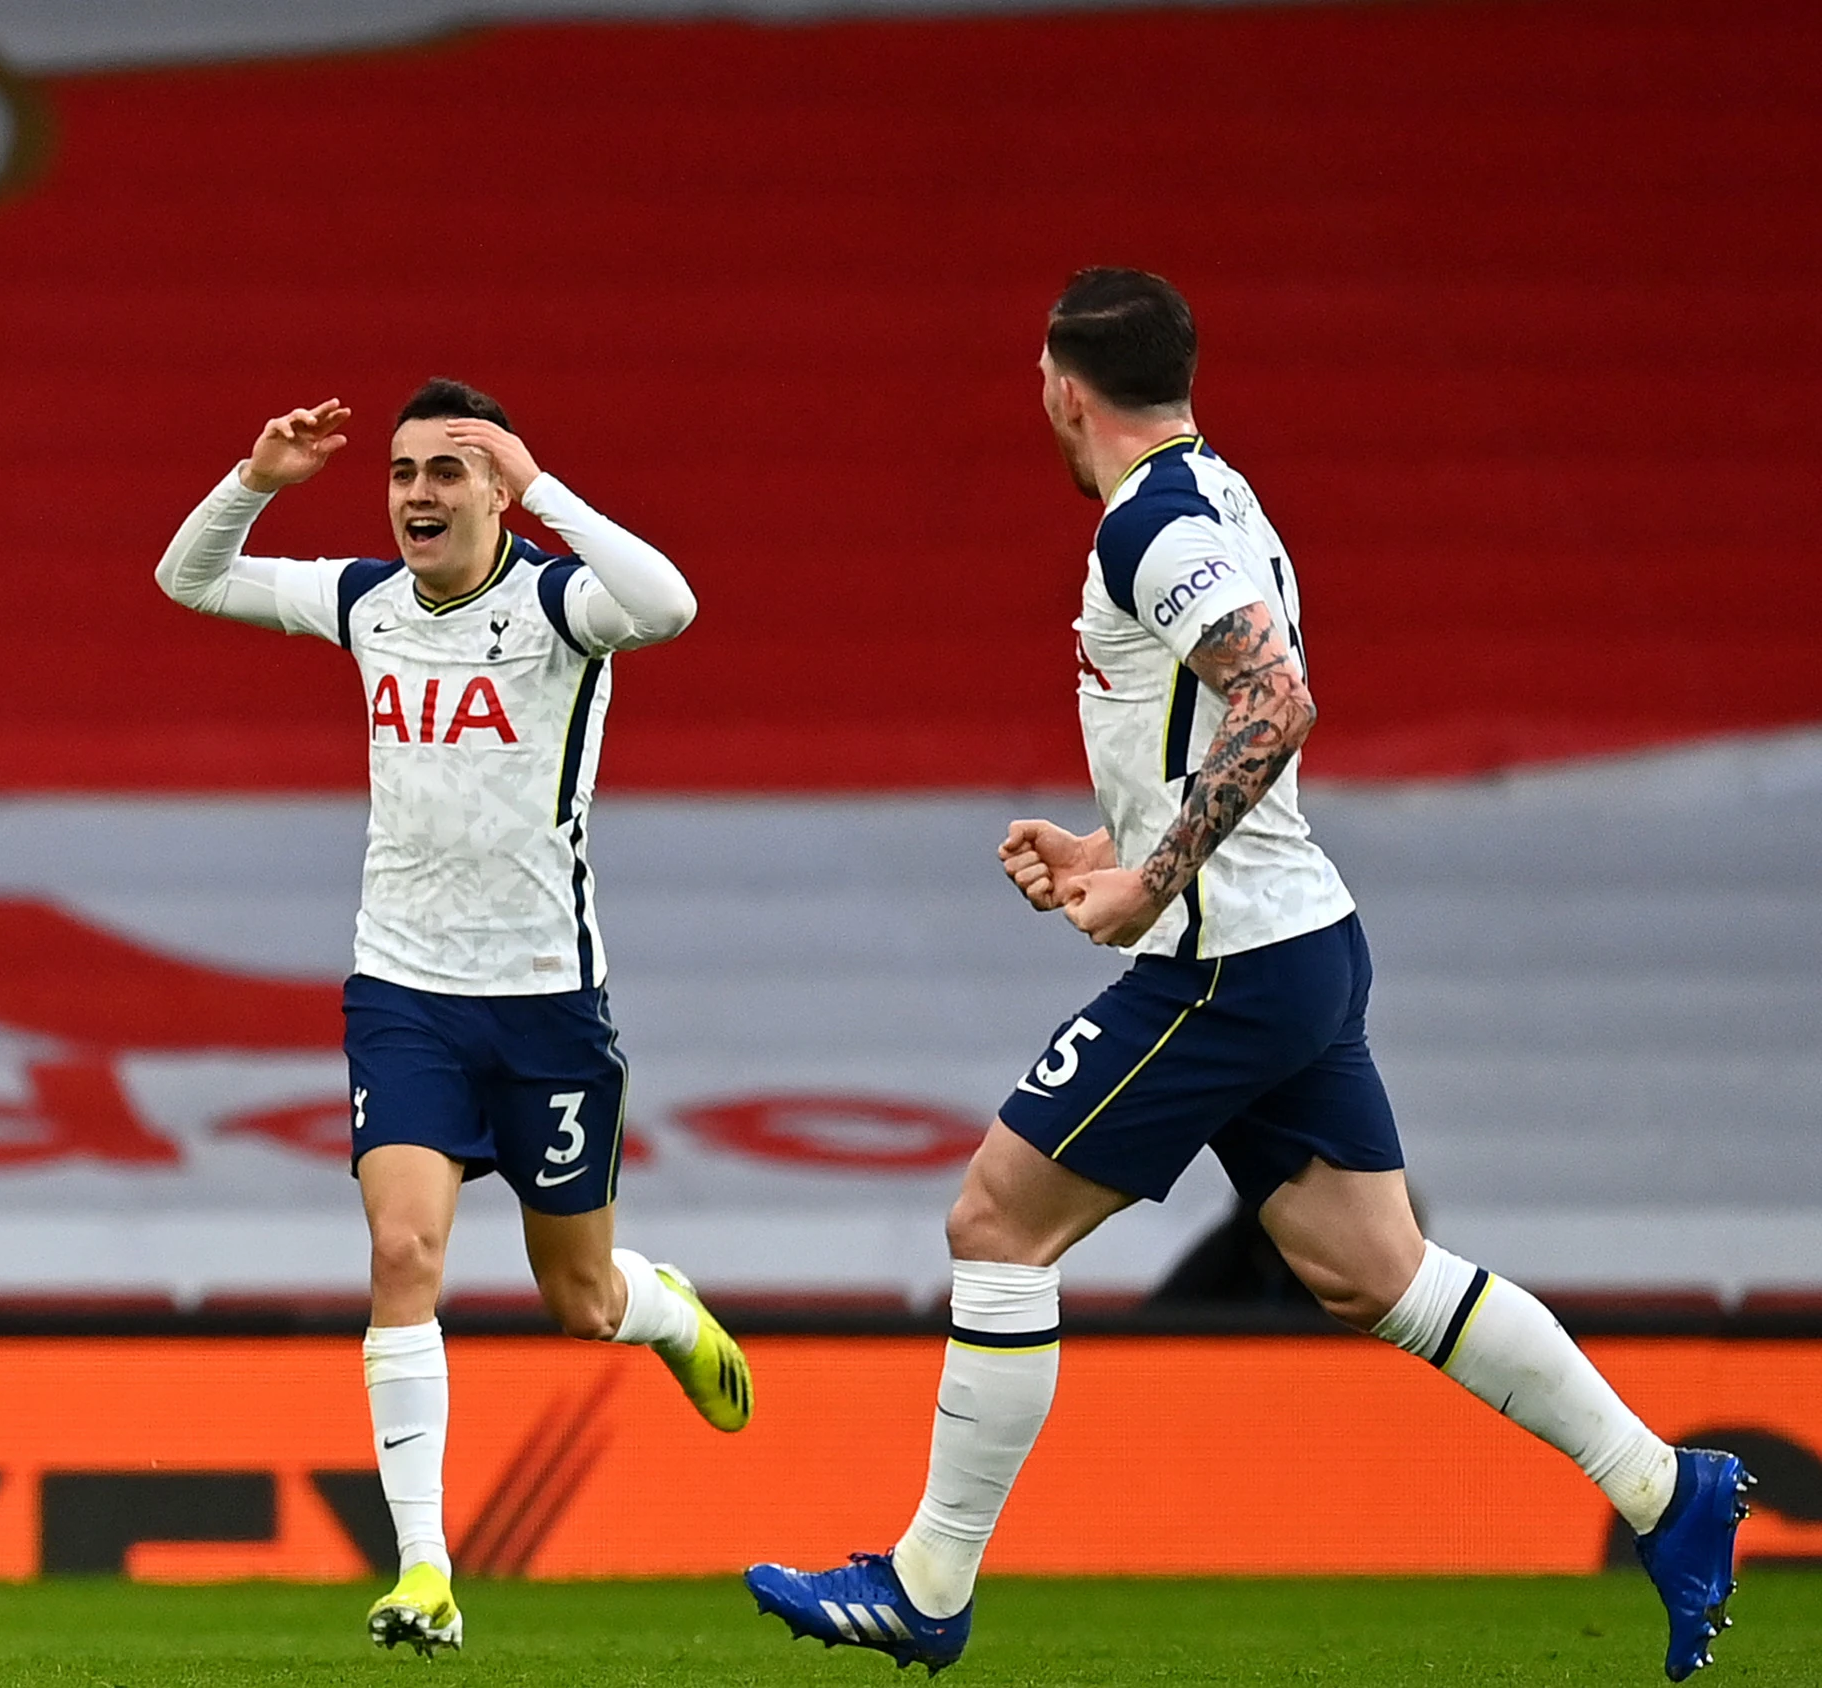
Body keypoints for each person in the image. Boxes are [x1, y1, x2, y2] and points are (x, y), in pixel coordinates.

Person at [741, 270, 1750, 1681]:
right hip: (1293, 942)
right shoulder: (1222, 494)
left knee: (995, 1226)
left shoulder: (1152, 523)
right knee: (1375, 1270)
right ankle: (1666, 1488)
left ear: (1061, 386)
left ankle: (926, 1584)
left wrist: (1150, 882)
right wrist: (1111, 843)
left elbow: (1278, 700)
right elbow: (1229, 725)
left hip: (1226, 964)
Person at [156, 379, 753, 1654]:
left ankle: (666, 1310)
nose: (417, 493)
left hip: (546, 1001)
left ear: (495, 494)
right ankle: (424, 1566)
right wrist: (257, 478)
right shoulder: (367, 599)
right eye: (403, 471)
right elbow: (189, 579)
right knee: (402, 1255)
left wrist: (549, 491)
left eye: (447, 472)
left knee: (579, 1299)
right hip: (405, 993)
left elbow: (671, 602)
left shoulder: (556, 604)